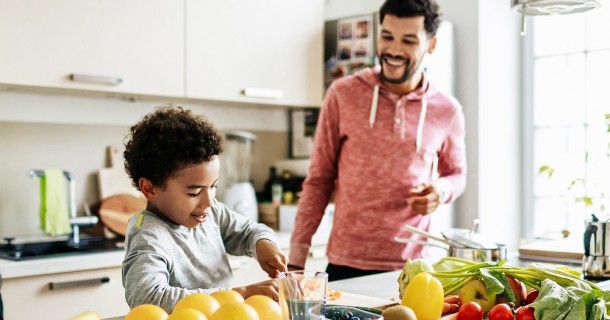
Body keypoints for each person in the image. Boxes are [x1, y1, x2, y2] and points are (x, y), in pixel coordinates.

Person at [289, 0, 467, 281]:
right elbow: (319, 179)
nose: (394, 50)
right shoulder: (342, 93)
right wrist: (295, 261)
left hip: (413, 268)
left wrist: (440, 191)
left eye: (408, 41)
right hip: (345, 264)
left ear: (431, 44)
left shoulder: (447, 110)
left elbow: (457, 174)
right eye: (387, 37)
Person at [121, 106, 288, 312]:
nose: (208, 201)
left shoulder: (211, 212)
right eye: (194, 192)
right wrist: (242, 294)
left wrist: (263, 243)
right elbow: (148, 298)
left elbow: (247, 231)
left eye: (214, 186)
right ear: (150, 189)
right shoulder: (148, 236)